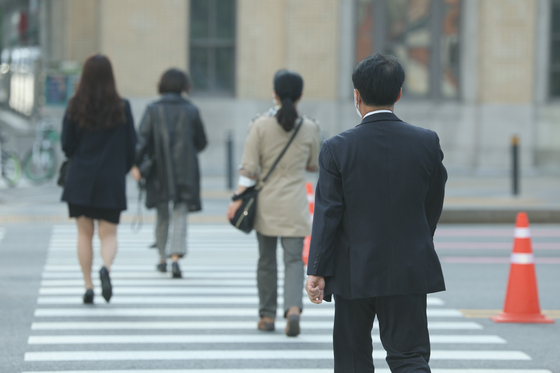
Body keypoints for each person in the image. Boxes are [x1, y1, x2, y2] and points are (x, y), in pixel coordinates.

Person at [305, 53, 447, 372]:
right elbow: (433, 199)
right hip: (409, 264)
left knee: (353, 358)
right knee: (409, 355)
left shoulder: (337, 148)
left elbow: (328, 215)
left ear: (357, 96)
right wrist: (419, 235)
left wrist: (316, 270)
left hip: (352, 267)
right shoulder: (426, 142)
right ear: (398, 94)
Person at [227, 70, 321, 337]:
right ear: (301, 95)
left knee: (266, 261)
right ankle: (293, 310)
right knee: (293, 261)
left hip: (265, 204)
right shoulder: (310, 127)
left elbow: (249, 169)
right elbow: (313, 164)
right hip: (295, 204)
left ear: (274, 94)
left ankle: (267, 316)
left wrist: (236, 200)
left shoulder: (259, 125)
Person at [61, 54, 137, 304]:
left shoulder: (74, 105)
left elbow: (67, 145)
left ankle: (88, 285)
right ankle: (106, 267)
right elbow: (130, 146)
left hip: (81, 177)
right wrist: (122, 169)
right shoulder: (122, 106)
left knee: (84, 234)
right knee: (109, 234)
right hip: (111, 179)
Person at [132, 68, 207, 279]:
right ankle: (175, 258)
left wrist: (136, 165)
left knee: (162, 213)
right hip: (186, 171)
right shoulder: (191, 110)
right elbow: (201, 142)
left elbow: (141, 141)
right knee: (180, 213)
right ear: (184, 86)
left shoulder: (153, 109)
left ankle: (162, 258)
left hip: (159, 172)